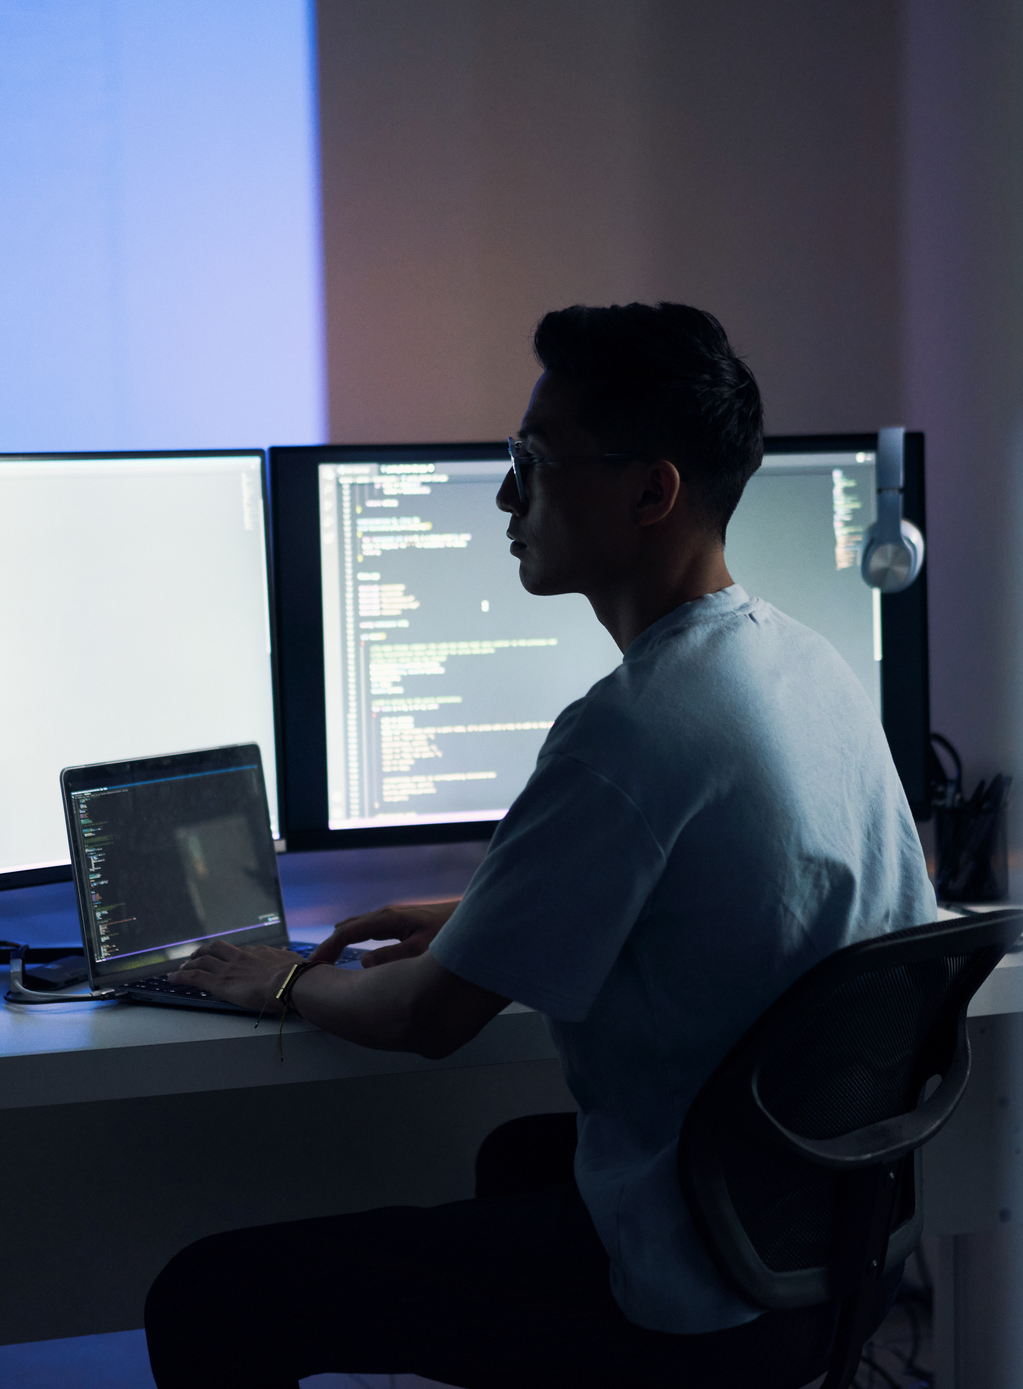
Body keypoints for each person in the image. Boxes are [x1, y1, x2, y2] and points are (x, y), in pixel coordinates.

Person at [145, 302, 937, 1388]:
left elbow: (425, 1019)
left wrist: (280, 980)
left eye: (531, 459)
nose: (507, 495)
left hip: (697, 1292)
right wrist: (478, 918)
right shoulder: (804, 662)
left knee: (208, 1296)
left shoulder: (631, 725)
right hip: (822, 1252)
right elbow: (739, 894)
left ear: (649, 492)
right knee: (516, 1158)